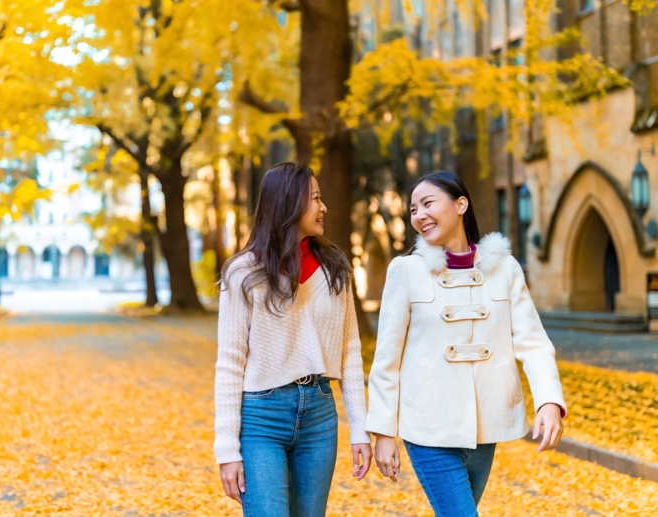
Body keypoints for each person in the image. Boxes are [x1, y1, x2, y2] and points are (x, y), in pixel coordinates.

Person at [366, 171, 566, 517]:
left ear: (461, 205)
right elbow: (387, 358)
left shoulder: (505, 269)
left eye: (427, 203)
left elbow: (533, 342)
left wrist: (548, 400)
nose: (419, 215)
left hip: (486, 423)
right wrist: (383, 432)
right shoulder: (406, 271)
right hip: (428, 426)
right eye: (413, 209)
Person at [214, 162, 372, 517]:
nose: (323, 207)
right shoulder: (243, 272)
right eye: (315, 198)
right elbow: (230, 362)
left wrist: (360, 430)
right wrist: (226, 450)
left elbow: (349, 351)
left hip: (319, 417)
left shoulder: (335, 269)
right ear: (288, 203)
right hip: (260, 419)